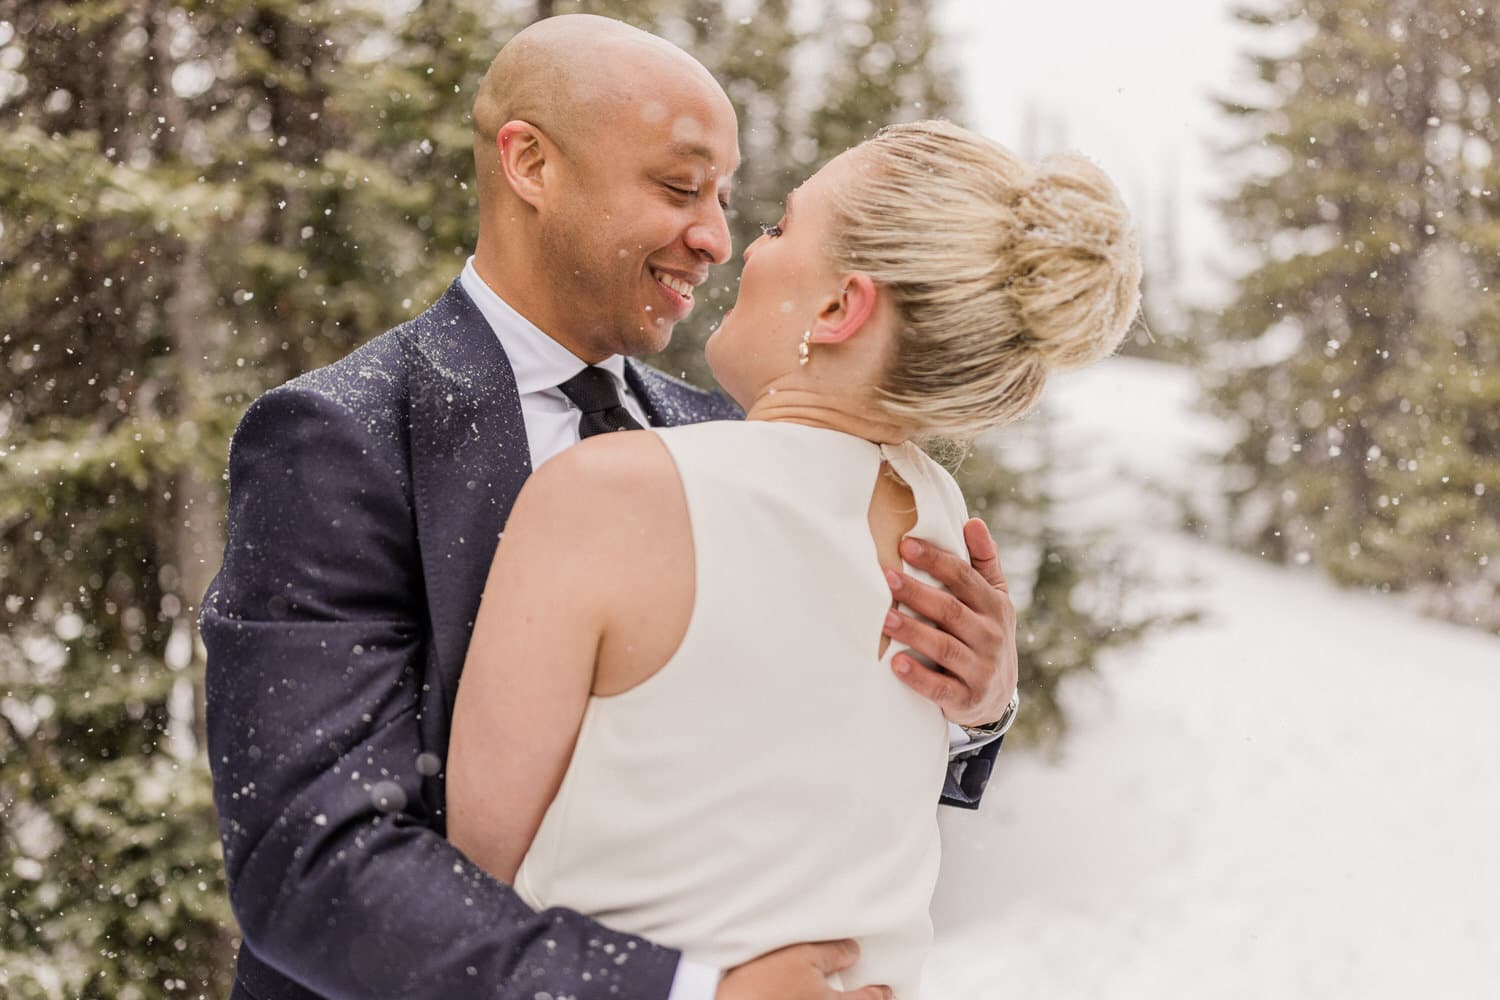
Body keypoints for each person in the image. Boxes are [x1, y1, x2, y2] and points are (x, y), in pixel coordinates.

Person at [200, 15, 1019, 1000]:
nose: (716, 237)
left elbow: (768, 778)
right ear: (532, 165)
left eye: (726, 198)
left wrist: (972, 706)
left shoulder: (721, 441)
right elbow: (312, 865)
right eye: (680, 187)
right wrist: (688, 990)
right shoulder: (342, 438)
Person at [444, 114, 1140, 997]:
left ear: (841, 307)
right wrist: (988, 708)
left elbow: (474, 880)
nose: (741, 249)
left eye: (781, 226)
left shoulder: (611, 496)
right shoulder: (935, 516)